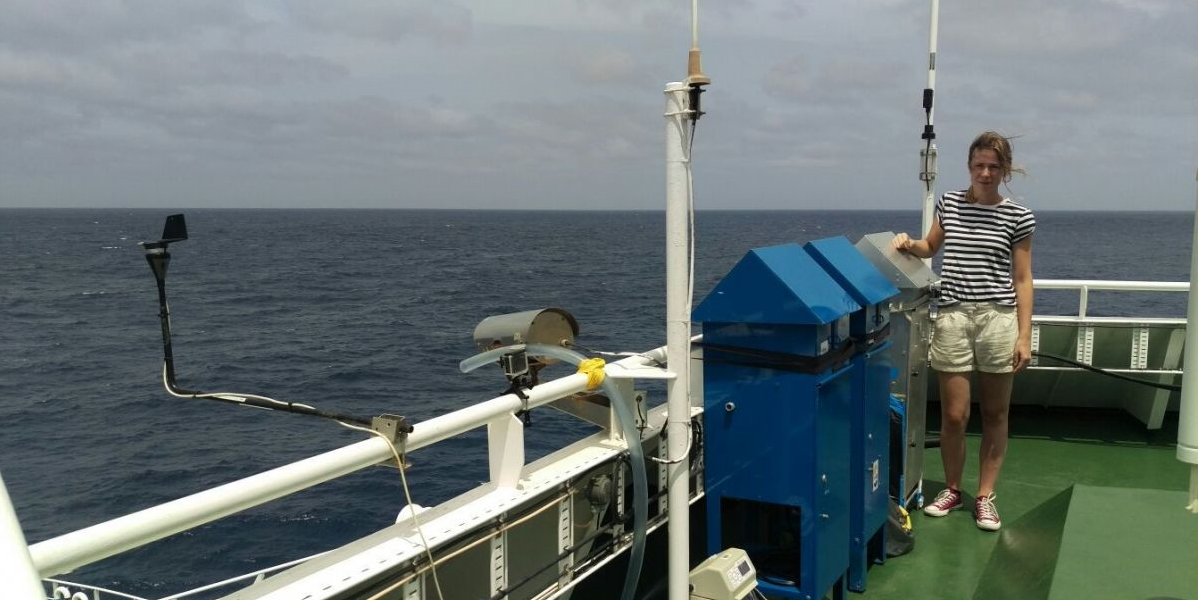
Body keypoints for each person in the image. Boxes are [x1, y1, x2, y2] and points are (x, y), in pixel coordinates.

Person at [892, 131, 1035, 531]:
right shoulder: (950, 203)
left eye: (993, 166)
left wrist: (1024, 336)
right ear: (969, 167)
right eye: (979, 165)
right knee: (954, 415)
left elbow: (1023, 279)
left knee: (994, 412)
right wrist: (908, 244)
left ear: (1004, 170)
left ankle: (985, 497)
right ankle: (953, 489)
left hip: (997, 320)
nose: (985, 173)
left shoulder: (1018, 217)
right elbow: (930, 247)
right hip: (953, 316)